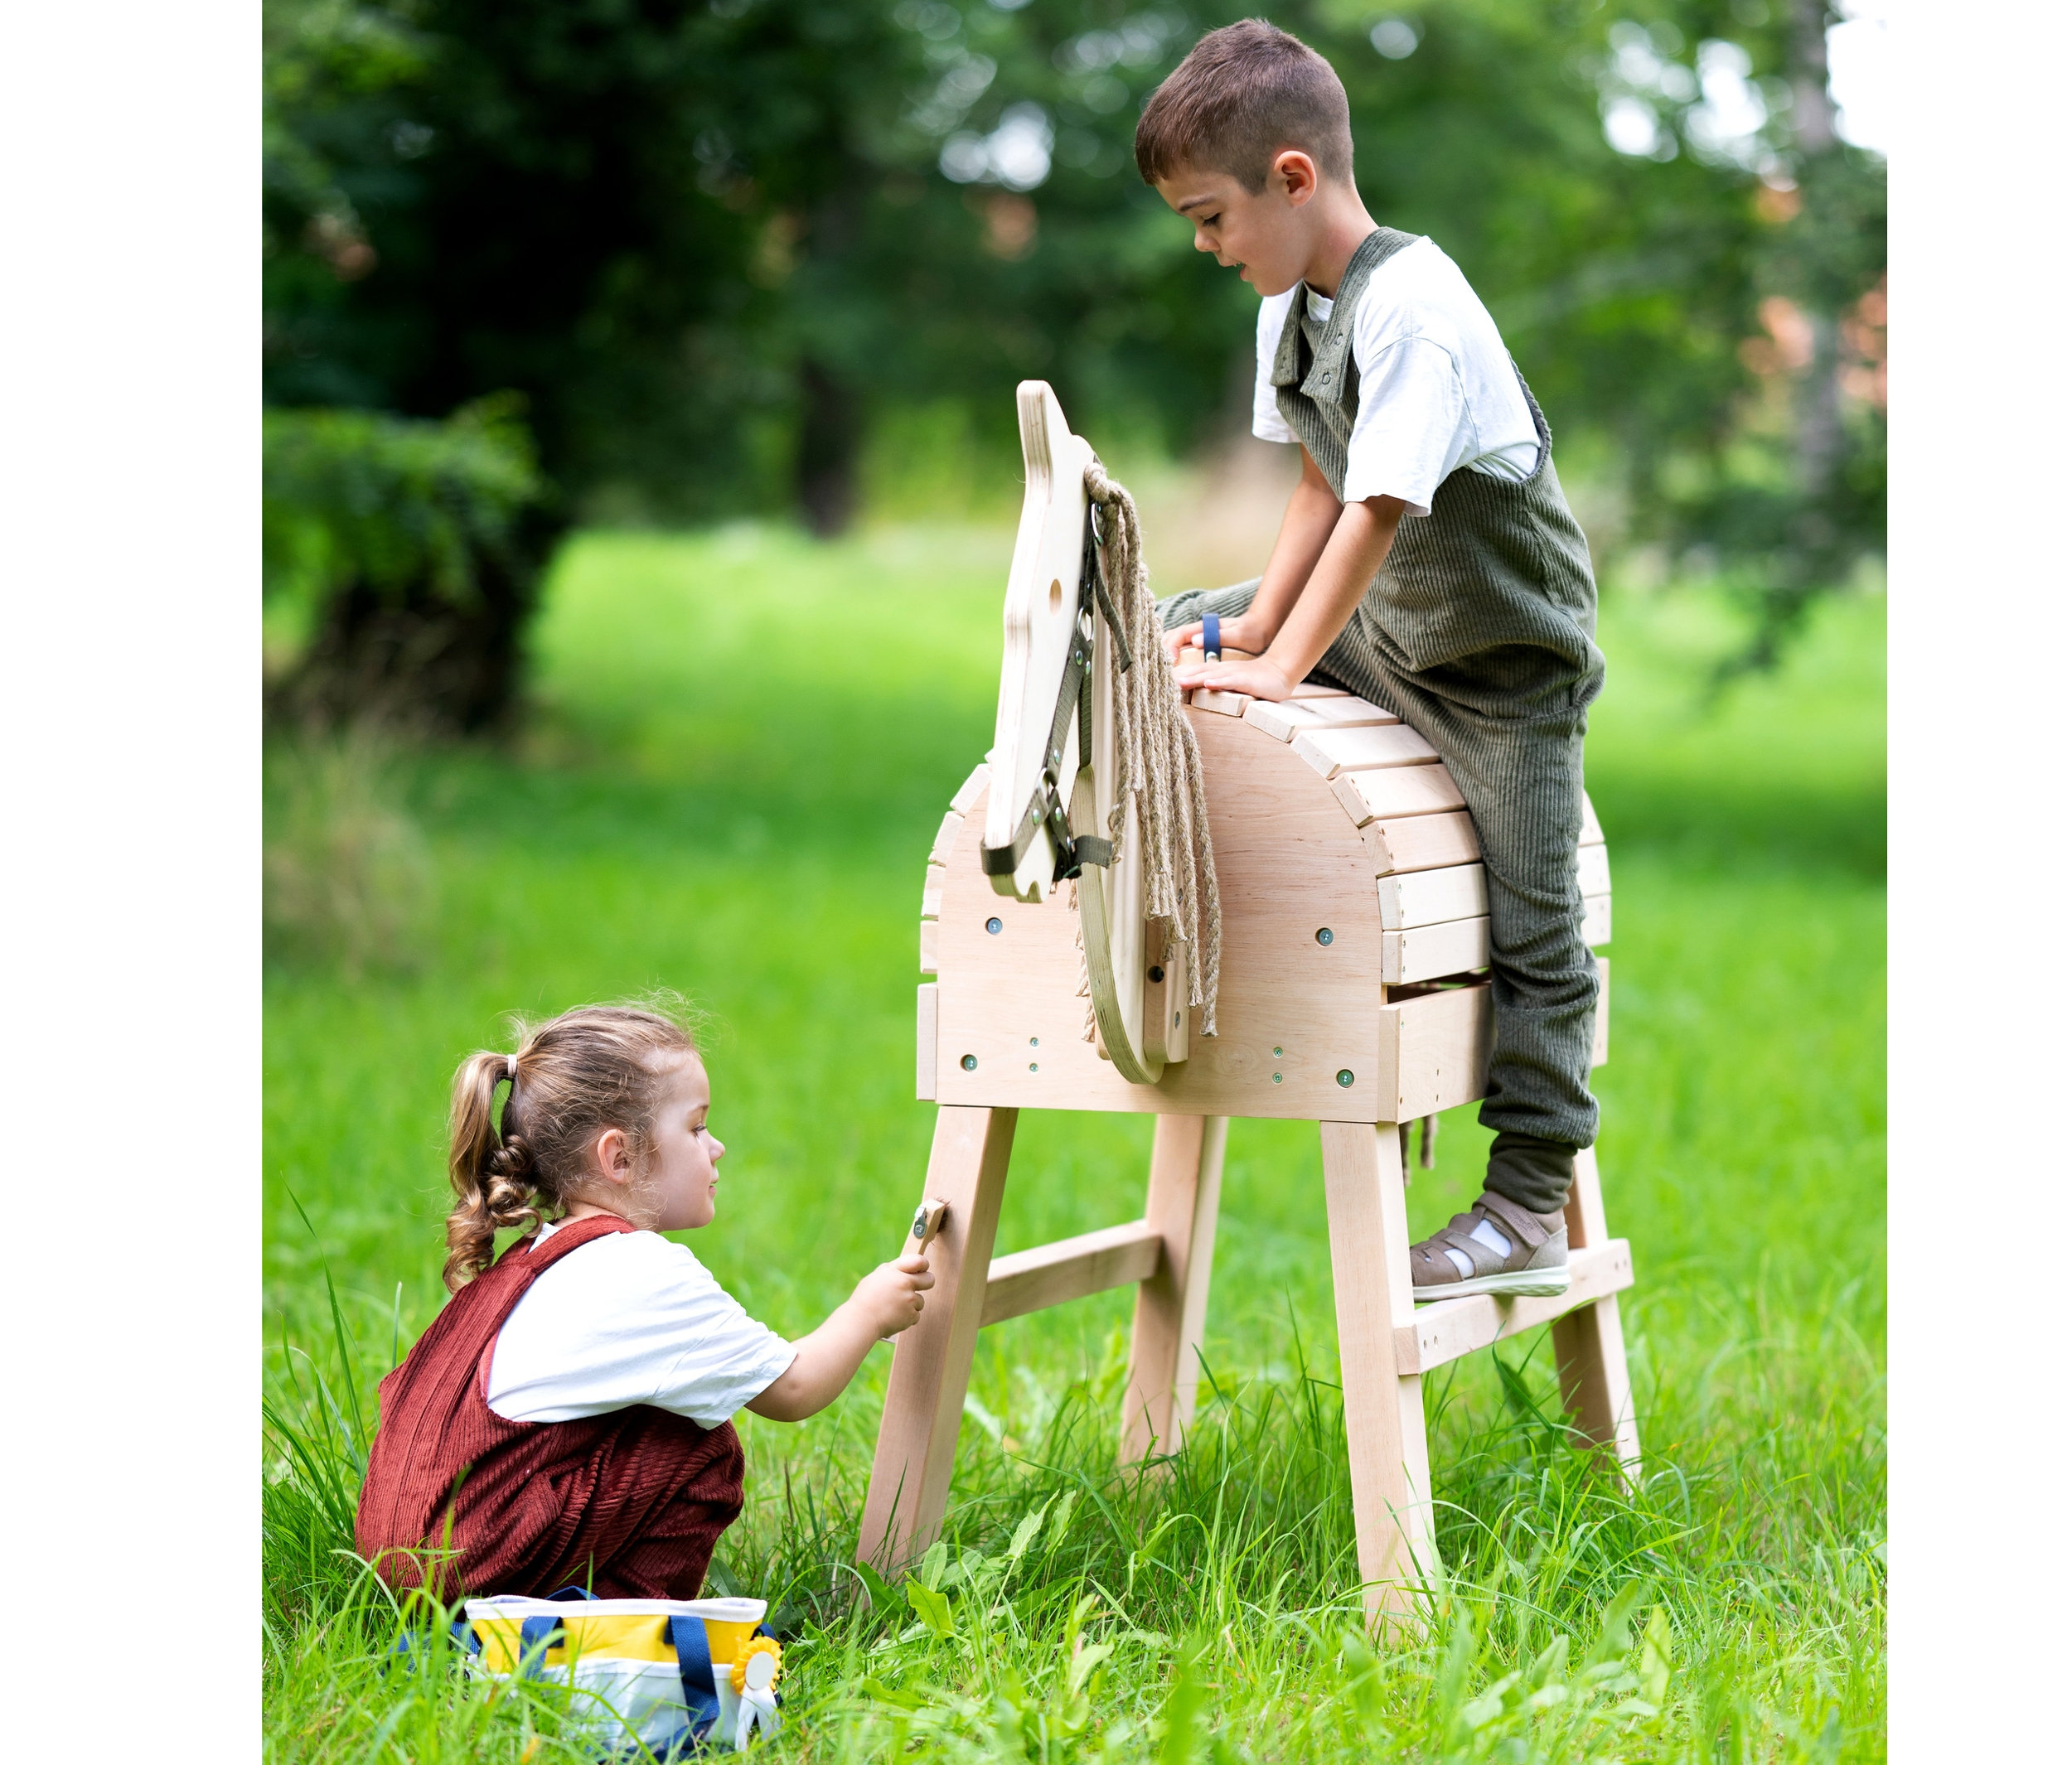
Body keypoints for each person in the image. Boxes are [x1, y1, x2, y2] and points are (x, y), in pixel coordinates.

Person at [1137, 21, 1602, 1301]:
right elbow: (1313, 491)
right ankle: (1114, 855)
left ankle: (1525, 1199)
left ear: (1293, 178)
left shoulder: (1417, 309)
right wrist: (1245, 637)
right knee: (1163, 618)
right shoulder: (1292, 302)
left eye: (1210, 215)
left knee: (1539, 927)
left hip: (1499, 667)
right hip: (1384, 627)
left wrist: (1285, 668)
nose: (1204, 245)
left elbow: (1379, 510)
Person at [356, 1003, 933, 1598]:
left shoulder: (537, 1256)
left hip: (399, 1552)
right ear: (620, 1158)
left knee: (658, 1417)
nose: (717, 1148)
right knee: (698, 1444)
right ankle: (607, 1633)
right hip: (464, 1563)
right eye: (697, 1127)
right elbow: (792, 1391)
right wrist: (867, 1311)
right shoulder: (640, 1268)